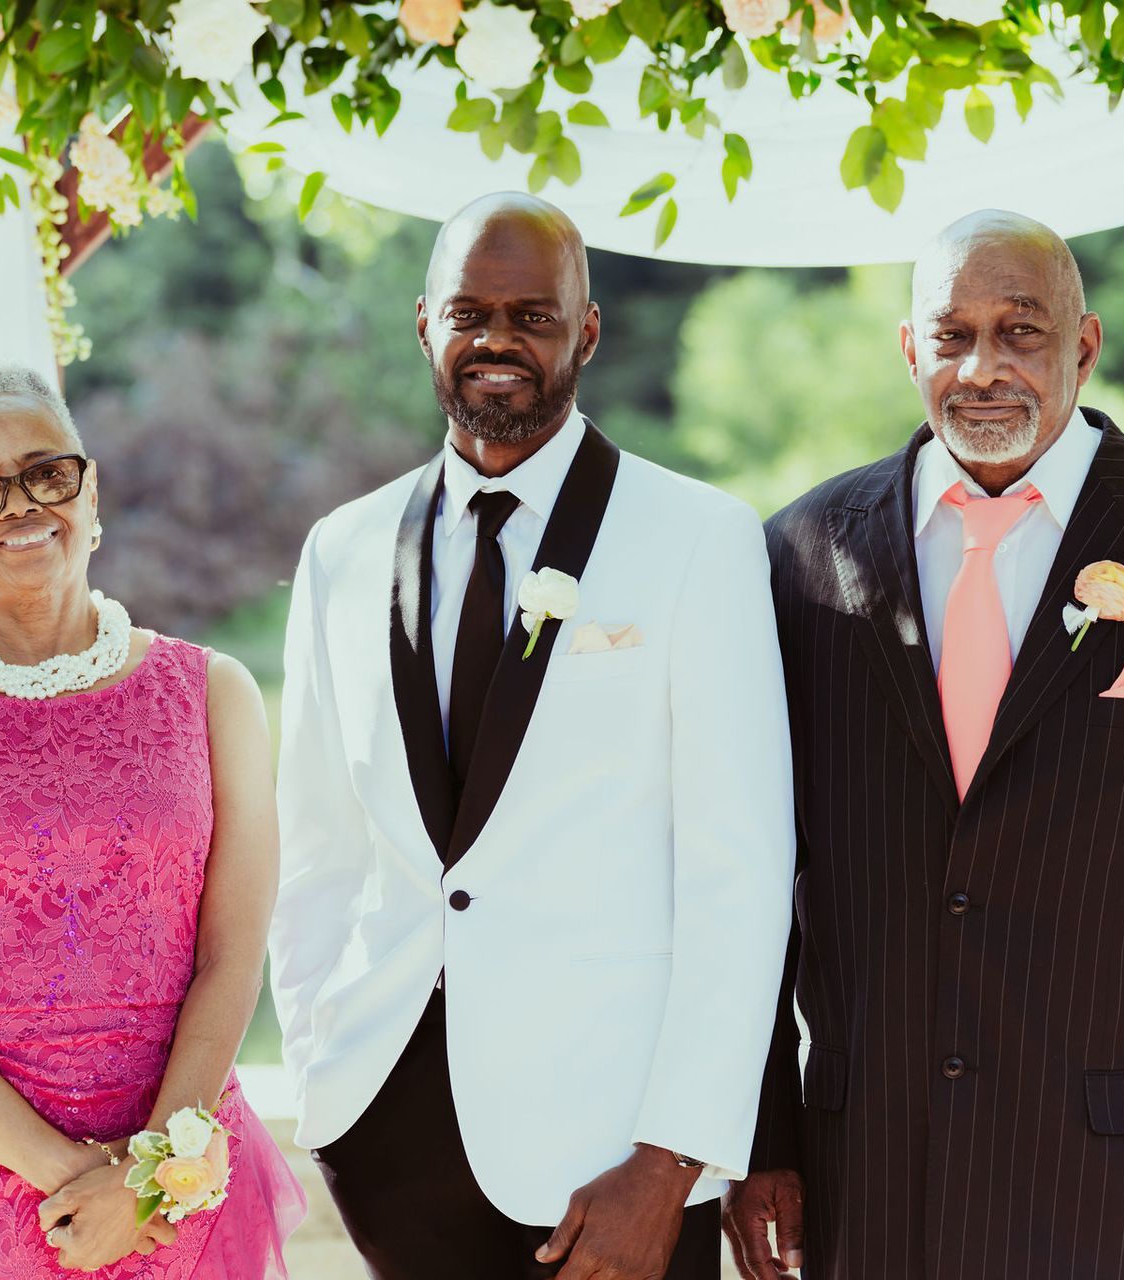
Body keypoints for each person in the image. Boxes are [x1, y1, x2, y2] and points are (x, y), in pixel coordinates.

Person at [724, 210, 1124, 1280]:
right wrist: (763, 1139)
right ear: (908, 348)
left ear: (1085, 343)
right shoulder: (796, 559)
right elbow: (749, 883)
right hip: (874, 1175)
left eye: (1021, 331)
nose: (984, 367)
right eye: (953, 333)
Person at [269, 192, 796, 1280]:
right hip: (390, 1134)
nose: (497, 340)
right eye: (470, 311)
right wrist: (327, 1080)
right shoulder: (342, 549)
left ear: (587, 331)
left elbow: (739, 878)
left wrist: (672, 1158)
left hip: (613, 1151)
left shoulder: (700, 539)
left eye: (532, 315)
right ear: (425, 324)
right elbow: (317, 842)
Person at [0, 365, 306, 1277]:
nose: (20, 504)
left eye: (48, 471)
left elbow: (233, 956)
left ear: (91, 493)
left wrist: (149, 1176)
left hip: (175, 1191)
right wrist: (74, 1178)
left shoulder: (215, 695)